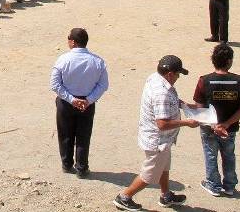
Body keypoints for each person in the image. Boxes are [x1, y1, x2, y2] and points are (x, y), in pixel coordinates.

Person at [113, 55, 198, 211]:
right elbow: (162, 124)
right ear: (170, 74)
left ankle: (166, 195)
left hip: (161, 139)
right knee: (150, 175)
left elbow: (169, 102)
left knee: (164, 167)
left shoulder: (155, 78)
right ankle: (124, 197)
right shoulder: (162, 93)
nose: (178, 77)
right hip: (158, 141)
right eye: (178, 74)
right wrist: (188, 122)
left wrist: (184, 105)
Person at [49, 28, 108, 178]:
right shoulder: (98, 61)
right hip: (87, 103)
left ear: (73, 42)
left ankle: (67, 164)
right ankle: (82, 167)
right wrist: (88, 100)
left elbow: (55, 84)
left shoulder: (63, 59)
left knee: (65, 134)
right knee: (84, 135)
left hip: (66, 102)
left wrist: (71, 99)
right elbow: (103, 85)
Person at [192, 44, 240, 197]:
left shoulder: (204, 81)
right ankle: (230, 186)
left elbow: (200, 108)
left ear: (213, 60)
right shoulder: (239, 81)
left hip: (209, 128)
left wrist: (213, 125)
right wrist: (226, 124)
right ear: (230, 61)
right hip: (229, 129)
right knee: (229, 155)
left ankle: (213, 184)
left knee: (211, 154)